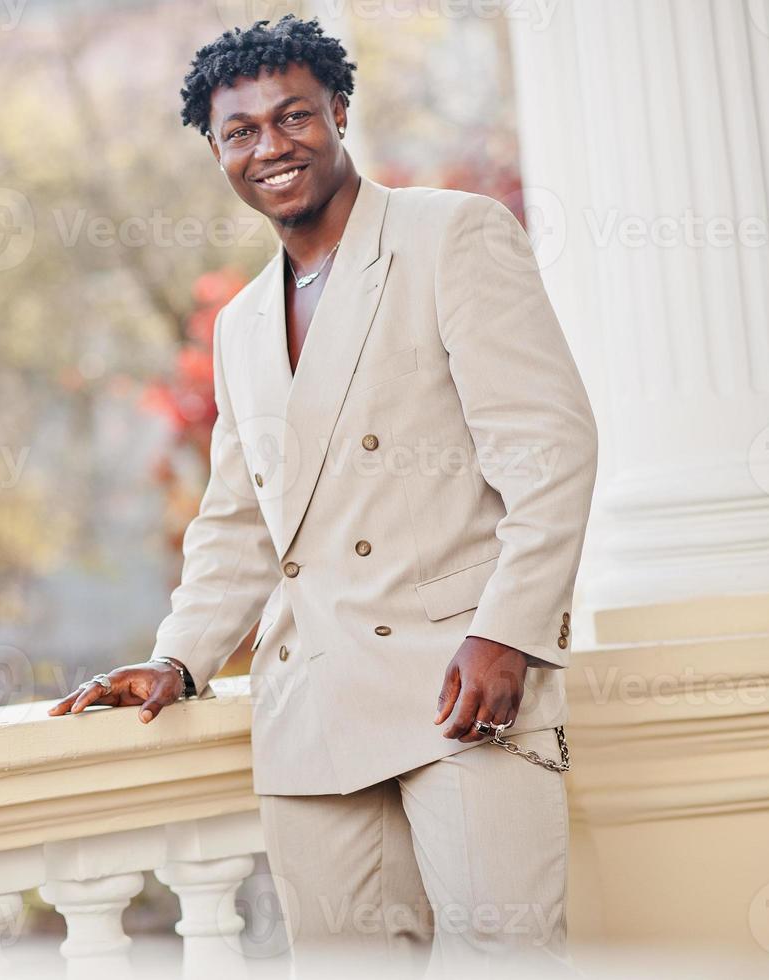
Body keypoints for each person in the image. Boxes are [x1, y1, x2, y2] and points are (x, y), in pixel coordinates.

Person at [49, 15, 598, 976]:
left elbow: (550, 449)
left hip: (461, 686)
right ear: (216, 150)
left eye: (292, 116)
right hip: (312, 712)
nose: (270, 146)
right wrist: (178, 659)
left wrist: (506, 631)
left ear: (339, 111)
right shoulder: (242, 322)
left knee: (507, 960)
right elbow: (235, 523)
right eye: (241, 131)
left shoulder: (451, 236)